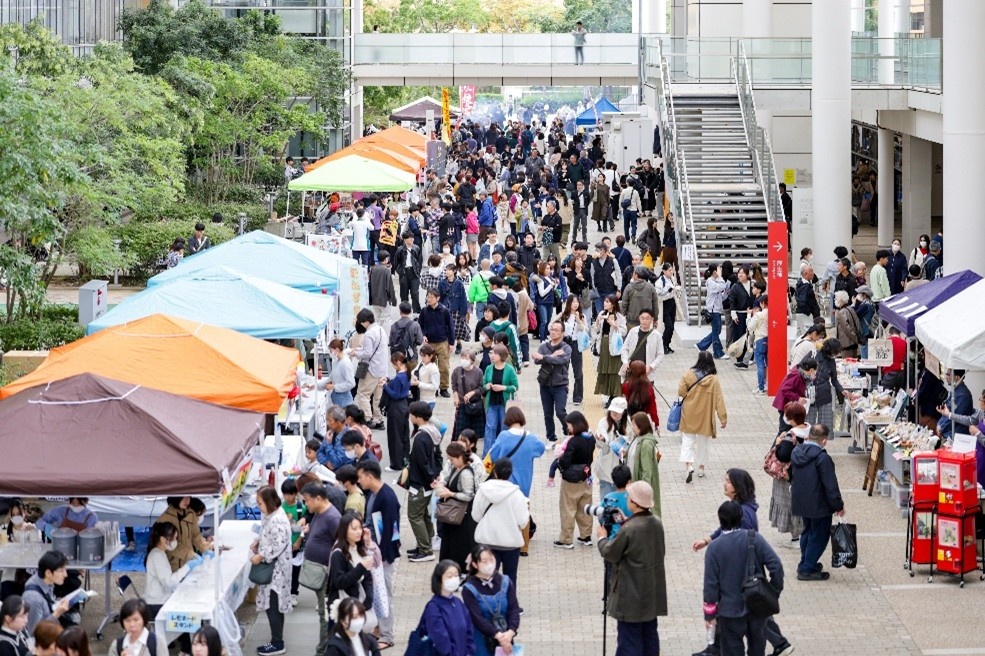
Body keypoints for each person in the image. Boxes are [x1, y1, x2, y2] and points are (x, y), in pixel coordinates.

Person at [702, 501, 784, 656]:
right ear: (741, 518)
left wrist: (709, 614)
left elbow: (710, 585)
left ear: (720, 520)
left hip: (729, 612)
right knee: (757, 650)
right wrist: (773, 591)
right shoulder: (755, 539)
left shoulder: (714, 548)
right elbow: (776, 566)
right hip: (757, 607)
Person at [596, 481, 667, 656]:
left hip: (630, 594)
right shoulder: (656, 523)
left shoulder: (629, 529)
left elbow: (610, 553)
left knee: (629, 640)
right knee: (650, 635)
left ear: (635, 503)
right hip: (651, 590)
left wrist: (602, 538)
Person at [790, 424, 845, 581]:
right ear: (824, 440)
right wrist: (838, 505)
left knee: (807, 532)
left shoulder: (797, 452)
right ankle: (807, 569)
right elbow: (830, 485)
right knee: (819, 536)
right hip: (818, 503)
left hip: (801, 501)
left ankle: (806, 563)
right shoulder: (822, 458)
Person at [356, 461, 400, 650]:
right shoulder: (375, 494)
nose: (359, 481)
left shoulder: (387, 497)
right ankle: (377, 628)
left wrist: (384, 557)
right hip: (374, 551)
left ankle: (387, 635)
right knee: (375, 593)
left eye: (360, 477)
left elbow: (392, 530)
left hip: (383, 555)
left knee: (384, 594)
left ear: (370, 476)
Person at [143, 522, 201, 650]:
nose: (175, 542)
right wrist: (188, 566)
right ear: (164, 539)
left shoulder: (159, 553)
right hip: (156, 605)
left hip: (158, 599)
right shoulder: (157, 556)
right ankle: (186, 650)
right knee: (190, 616)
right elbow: (169, 582)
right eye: (174, 539)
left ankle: (183, 643)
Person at [299, 482, 342, 653]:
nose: (305, 504)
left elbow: (340, 546)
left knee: (325, 615)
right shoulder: (319, 513)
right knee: (323, 614)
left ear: (318, 498)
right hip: (318, 572)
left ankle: (324, 650)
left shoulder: (333, 518)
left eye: (307, 500)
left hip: (326, 575)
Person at [472, 459, 529, 586]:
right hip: (511, 543)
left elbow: (476, 516)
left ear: (495, 472)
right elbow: (523, 522)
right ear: (510, 474)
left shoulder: (483, 491)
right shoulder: (517, 494)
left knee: (488, 578)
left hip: (487, 541)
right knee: (510, 577)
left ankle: (489, 603)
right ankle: (510, 604)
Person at [251, 486, 293, 656]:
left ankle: (277, 642)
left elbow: (278, 544)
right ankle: (276, 639)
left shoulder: (278, 520)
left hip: (276, 573)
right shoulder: (272, 516)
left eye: (260, 503)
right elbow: (269, 537)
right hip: (274, 570)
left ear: (268, 502)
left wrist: (261, 555)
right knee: (272, 605)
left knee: (273, 606)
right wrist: (258, 541)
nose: (258, 506)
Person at [461, 545, 521, 656]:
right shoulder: (469, 589)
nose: (489, 564)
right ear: (475, 564)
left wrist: (510, 632)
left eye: (491, 559)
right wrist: (498, 635)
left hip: (505, 636)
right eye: (484, 561)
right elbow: (477, 618)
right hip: (481, 638)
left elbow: (514, 609)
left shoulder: (505, 581)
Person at [678, 352, 728, 484]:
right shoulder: (713, 380)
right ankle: (701, 468)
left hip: (689, 412)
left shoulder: (688, 374)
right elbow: (719, 400)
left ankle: (689, 466)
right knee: (704, 444)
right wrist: (723, 418)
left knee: (687, 441)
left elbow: (681, 392)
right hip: (705, 415)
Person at [406, 401, 443, 563]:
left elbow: (422, 462)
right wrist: (435, 476)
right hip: (428, 482)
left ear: (417, 417)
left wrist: (430, 478)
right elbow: (438, 457)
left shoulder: (420, 437)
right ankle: (424, 544)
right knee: (424, 515)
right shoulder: (433, 432)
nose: (410, 416)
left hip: (419, 483)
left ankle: (426, 549)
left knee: (414, 515)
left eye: (411, 414)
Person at [769, 402, 809, 546]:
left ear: (792, 418)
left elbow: (783, 455)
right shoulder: (809, 430)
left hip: (789, 476)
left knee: (790, 505)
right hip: (806, 474)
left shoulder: (790, 436)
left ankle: (796, 537)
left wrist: (778, 443)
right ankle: (803, 534)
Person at [554, 411, 595, 549]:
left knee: (568, 509)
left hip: (571, 481)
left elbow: (565, 462)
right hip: (586, 477)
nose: (568, 428)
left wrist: (559, 459)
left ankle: (566, 540)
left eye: (569, 425)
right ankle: (586, 536)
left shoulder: (573, 441)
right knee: (585, 508)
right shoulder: (590, 438)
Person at [435, 442, 478, 570]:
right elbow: (446, 478)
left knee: (459, 548)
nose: (450, 462)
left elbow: (469, 495)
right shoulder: (456, 468)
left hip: (461, 518)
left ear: (459, 457)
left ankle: (460, 572)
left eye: (452, 459)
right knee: (451, 547)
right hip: (454, 517)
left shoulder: (466, 473)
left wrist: (451, 494)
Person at [421, 561, 474, 656]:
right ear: (439, 579)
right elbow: (440, 639)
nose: (454, 579)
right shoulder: (434, 607)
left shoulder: (458, 602)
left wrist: (469, 652)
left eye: (456, 575)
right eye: (449, 576)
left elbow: (469, 630)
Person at [328, 511, 375, 611]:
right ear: (344, 530)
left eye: (360, 527)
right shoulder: (338, 553)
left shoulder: (359, 548)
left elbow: (368, 578)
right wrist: (361, 568)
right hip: (342, 608)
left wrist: (368, 599)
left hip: (358, 606)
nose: (359, 531)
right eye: (354, 528)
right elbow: (340, 582)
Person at [350, 309, 389, 431]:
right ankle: (379, 420)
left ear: (365, 321)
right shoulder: (381, 330)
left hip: (371, 369)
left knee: (363, 394)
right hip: (382, 368)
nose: (360, 324)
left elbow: (367, 353)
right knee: (378, 396)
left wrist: (355, 353)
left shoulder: (369, 334)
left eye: (361, 322)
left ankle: (367, 418)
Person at [533, 322, 572, 443]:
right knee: (547, 413)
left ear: (562, 333)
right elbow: (536, 361)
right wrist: (552, 355)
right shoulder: (544, 346)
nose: (553, 332)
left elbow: (560, 361)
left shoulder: (566, 348)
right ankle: (551, 438)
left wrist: (544, 357)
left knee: (561, 411)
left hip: (560, 385)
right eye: (552, 329)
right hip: (544, 384)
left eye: (556, 330)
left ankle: (568, 431)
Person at [481, 345, 519, 455]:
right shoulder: (489, 368)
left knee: (504, 429)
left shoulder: (509, 369)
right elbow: (483, 384)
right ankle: (487, 455)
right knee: (490, 428)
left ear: (501, 356)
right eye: (491, 353)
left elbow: (515, 386)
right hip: (491, 402)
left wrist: (503, 388)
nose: (492, 356)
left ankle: (504, 453)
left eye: (494, 354)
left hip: (505, 404)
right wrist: (487, 386)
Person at [22, 552, 72, 634]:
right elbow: (34, 632)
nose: (65, 575)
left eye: (65, 570)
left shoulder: (46, 582)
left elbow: (49, 602)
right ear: (48, 573)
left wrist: (58, 603)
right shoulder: (33, 598)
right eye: (61, 571)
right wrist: (57, 613)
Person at [419, 289, 456, 397]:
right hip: (429, 344)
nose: (429, 299)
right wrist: (423, 335)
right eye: (428, 297)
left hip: (442, 343)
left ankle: (444, 388)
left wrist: (451, 342)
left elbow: (451, 327)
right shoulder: (424, 311)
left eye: (431, 297)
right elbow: (420, 325)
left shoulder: (444, 311)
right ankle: (433, 387)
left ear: (438, 298)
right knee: (430, 367)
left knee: (444, 367)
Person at [593, 295, 628, 404]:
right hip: (604, 343)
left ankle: (614, 395)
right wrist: (598, 322)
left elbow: (624, 331)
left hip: (614, 346)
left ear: (613, 304)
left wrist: (614, 325)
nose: (605, 303)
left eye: (607, 301)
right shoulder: (602, 314)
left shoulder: (619, 316)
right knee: (606, 369)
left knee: (614, 370)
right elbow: (596, 330)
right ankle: (609, 394)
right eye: (605, 301)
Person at [594, 397, 628, 499]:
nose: (614, 413)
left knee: (621, 504)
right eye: (613, 411)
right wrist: (602, 440)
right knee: (607, 503)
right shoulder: (603, 422)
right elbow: (602, 440)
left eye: (618, 412)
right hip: (606, 469)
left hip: (623, 471)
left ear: (624, 412)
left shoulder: (629, 423)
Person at [772, 358, 817, 433]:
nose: (815, 372)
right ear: (811, 370)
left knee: (789, 430)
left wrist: (810, 379)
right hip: (786, 406)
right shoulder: (796, 375)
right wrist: (798, 398)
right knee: (784, 431)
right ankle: (779, 444)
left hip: (791, 405)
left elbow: (801, 384)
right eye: (815, 370)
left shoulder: (801, 373)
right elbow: (785, 389)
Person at [559, 295, 589, 406]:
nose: (575, 304)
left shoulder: (582, 316)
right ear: (569, 303)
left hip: (576, 344)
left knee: (578, 372)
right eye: (573, 302)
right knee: (563, 371)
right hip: (565, 343)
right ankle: (562, 394)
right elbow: (553, 327)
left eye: (577, 302)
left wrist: (578, 320)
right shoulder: (564, 316)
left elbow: (585, 330)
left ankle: (578, 397)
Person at [696, 264, 729, 359]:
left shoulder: (715, 281)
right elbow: (721, 287)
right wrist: (720, 277)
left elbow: (722, 292)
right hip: (713, 310)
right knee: (716, 331)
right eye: (719, 271)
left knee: (717, 331)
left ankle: (702, 345)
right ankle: (717, 352)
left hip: (717, 309)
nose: (721, 273)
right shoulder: (710, 281)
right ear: (715, 272)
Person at [452, 348, 486, 439]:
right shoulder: (457, 371)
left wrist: (471, 393)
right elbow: (454, 386)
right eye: (462, 357)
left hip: (475, 404)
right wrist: (456, 398)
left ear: (472, 361)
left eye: (466, 358)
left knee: (474, 435)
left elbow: (482, 388)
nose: (463, 360)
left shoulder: (478, 372)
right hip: (462, 404)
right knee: (460, 432)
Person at [623, 360, 660, 430]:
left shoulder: (626, 386)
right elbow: (653, 408)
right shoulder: (649, 388)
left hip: (629, 420)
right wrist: (656, 423)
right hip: (644, 422)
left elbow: (622, 404)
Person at [394, 233, 423, 313]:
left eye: (412, 238)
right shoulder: (400, 249)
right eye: (409, 238)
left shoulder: (416, 248)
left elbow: (420, 261)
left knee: (415, 293)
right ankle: (404, 311)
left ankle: (416, 311)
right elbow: (396, 262)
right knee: (404, 293)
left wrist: (418, 270)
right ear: (405, 239)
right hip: (404, 272)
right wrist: (399, 271)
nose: (412, 240)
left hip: (414, 272)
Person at [325, 339, 357, 408]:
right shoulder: (336, 362)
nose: (330, 353)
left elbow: (351, 383)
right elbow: (331, 377)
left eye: (331, 351)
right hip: (337, 397)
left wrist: (334, 386)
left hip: (344, 400)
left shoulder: (345, 363)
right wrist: (316, 385)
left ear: (336, 350)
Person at [368, 252, 397, 326]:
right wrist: (393, 300)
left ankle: (376, 335)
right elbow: (390, 286)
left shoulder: (373, 269)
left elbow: (370, 284)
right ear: (386, 259)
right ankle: (386, 336)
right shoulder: (386, 270)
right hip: (384, 298)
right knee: (387, 318)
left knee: (376, 318)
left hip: (374, 298)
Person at [412, 344, 441, 410]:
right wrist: (414, 377)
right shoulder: (422, 364)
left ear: (431, 356)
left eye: (424, 356)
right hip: (420, 398)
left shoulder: (433, 369)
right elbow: (413, 372)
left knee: (425, 419)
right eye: (421, 356)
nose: (422, 358)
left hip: (429, 401)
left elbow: (435, 386)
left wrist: (419, 384)